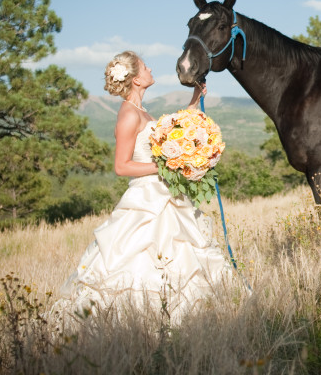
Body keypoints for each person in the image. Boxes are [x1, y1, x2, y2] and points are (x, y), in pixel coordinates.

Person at [57, 51, 234, 323]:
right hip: (146, 199)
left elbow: (164, 139)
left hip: (165, 193)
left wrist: (195, 101)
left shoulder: (141, 111)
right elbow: (122, 166)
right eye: (144, 66)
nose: (150, 68)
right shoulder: (128, 114)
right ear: (136, 80)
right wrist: (167, 166)